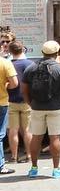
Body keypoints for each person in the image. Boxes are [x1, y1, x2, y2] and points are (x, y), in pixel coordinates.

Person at [22, 39, 60, 178]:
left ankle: (34, 168)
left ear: (42, 52)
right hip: (57, 107)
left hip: (36, 107)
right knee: (55, 138)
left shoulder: (31, 68)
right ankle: (56, 169)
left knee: (36, 137)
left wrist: (30, 103)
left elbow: (24, 90)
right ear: (57, 52)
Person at [6, 40, 32, 164]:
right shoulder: (30, 64)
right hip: (27, 100)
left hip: (11, 100)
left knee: (13, 129)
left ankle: (14, 157)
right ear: (23, 49)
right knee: (27, 129)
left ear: (10, 51)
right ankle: (29, 155)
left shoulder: (8, 64)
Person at [0, 47, 16, 176]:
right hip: (1, 102)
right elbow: (14, 83)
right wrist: (6, 86)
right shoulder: (5, 63)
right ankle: (0, 166)